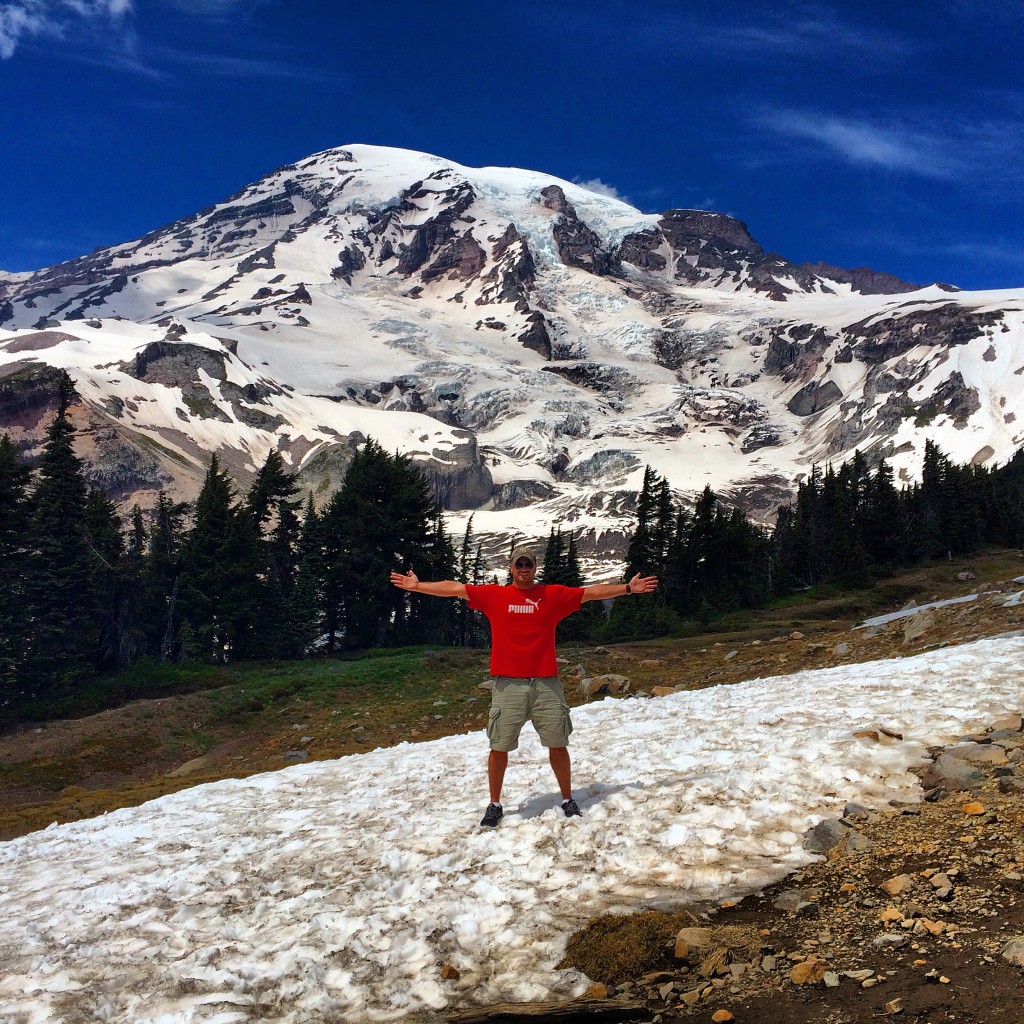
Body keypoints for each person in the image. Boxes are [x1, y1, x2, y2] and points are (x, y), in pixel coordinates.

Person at [390, 545, 658, 827]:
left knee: (558, 743)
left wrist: (628, 588)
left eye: (528, 564)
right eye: (519, 564)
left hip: (546, 684)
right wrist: (418, 586)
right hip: (508, 685)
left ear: (534, 567)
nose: (524, 569)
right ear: (511, 568)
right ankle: (494, 804)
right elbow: (455, 589)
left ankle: (567, 798)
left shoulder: (551, 595)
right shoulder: (495, 596)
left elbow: (590, 592)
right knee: (499, 747)